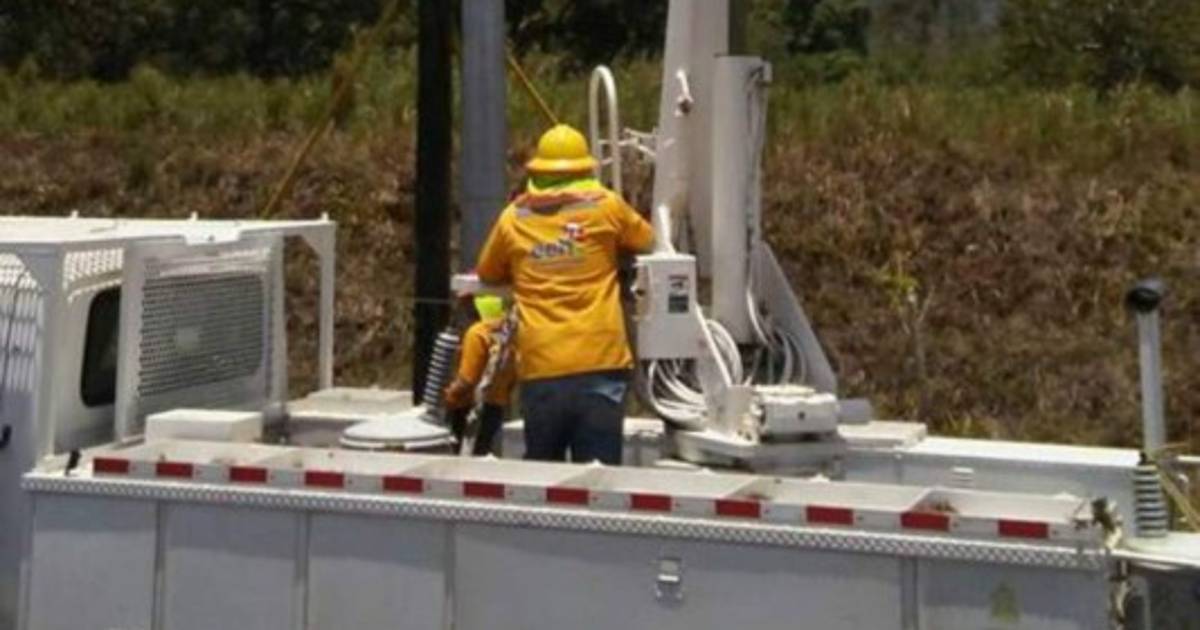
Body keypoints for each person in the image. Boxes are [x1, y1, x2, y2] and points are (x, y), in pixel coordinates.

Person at [476, 124, 655, 464]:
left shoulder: (513, 218)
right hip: (600, 358)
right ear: (586, 168)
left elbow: (487, 272)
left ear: (537, 171)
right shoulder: (607, 207)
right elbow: (647, 240)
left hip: (542, 361)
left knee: (545, 478)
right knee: (599, 477)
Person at [443, 294, 516, 455]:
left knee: (465, 457)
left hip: (470, 409)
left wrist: (448, 397)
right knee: (483, 453)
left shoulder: (476, 334)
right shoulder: (507, 335)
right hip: (496, 406)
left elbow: (467, 380)